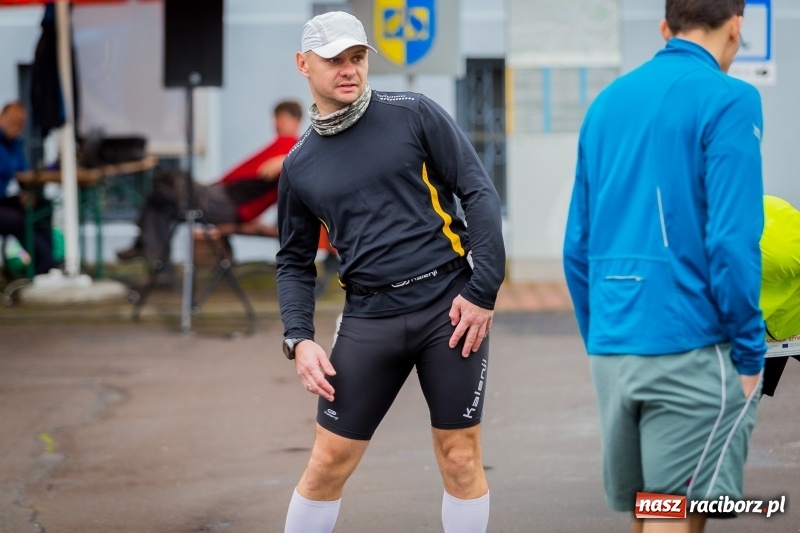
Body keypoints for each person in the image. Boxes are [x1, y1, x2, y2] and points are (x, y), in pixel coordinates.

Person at [276, 11, 505, 533]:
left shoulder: (413, 113)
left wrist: (483, 290)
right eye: (334, 60)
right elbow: (292, 259)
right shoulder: (299, 163)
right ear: (303, 64)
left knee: (460, 456)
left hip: (448, 309)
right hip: (369, 318)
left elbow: (478, 191)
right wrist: (299, 337)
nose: (349, 69)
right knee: (327, 462)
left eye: (356, 58)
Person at [563, 1, 764, 531]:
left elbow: (576, 246)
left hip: (614, 343)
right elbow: (732, 240)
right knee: (677, 515)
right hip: (691, 344)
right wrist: (749, 353)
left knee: (650, 509)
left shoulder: (605, 104)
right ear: (737, 26)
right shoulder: (731, 100)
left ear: (665, 28)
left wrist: (602, 335)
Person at [116, 100, 303, 262]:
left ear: (296, 120)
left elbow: (303, 173)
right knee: (160, 203)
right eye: (276, 118)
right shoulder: (284, 146)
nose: (276, 123)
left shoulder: (294, 149)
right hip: (220, 195)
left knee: (168, 180)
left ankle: (145, 247)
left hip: (228, 204)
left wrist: (286, 161)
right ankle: (155, 261)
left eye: (282, 118)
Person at [0, 100, 56, 276]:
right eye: (13, 120)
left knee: (41, 206)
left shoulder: (14, 143)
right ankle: (44, 265)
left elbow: (23, 172)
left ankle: (50, 262)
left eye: (20, 123)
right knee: (18, 219)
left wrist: (26, 193)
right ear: (2, 116)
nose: (16, 126)